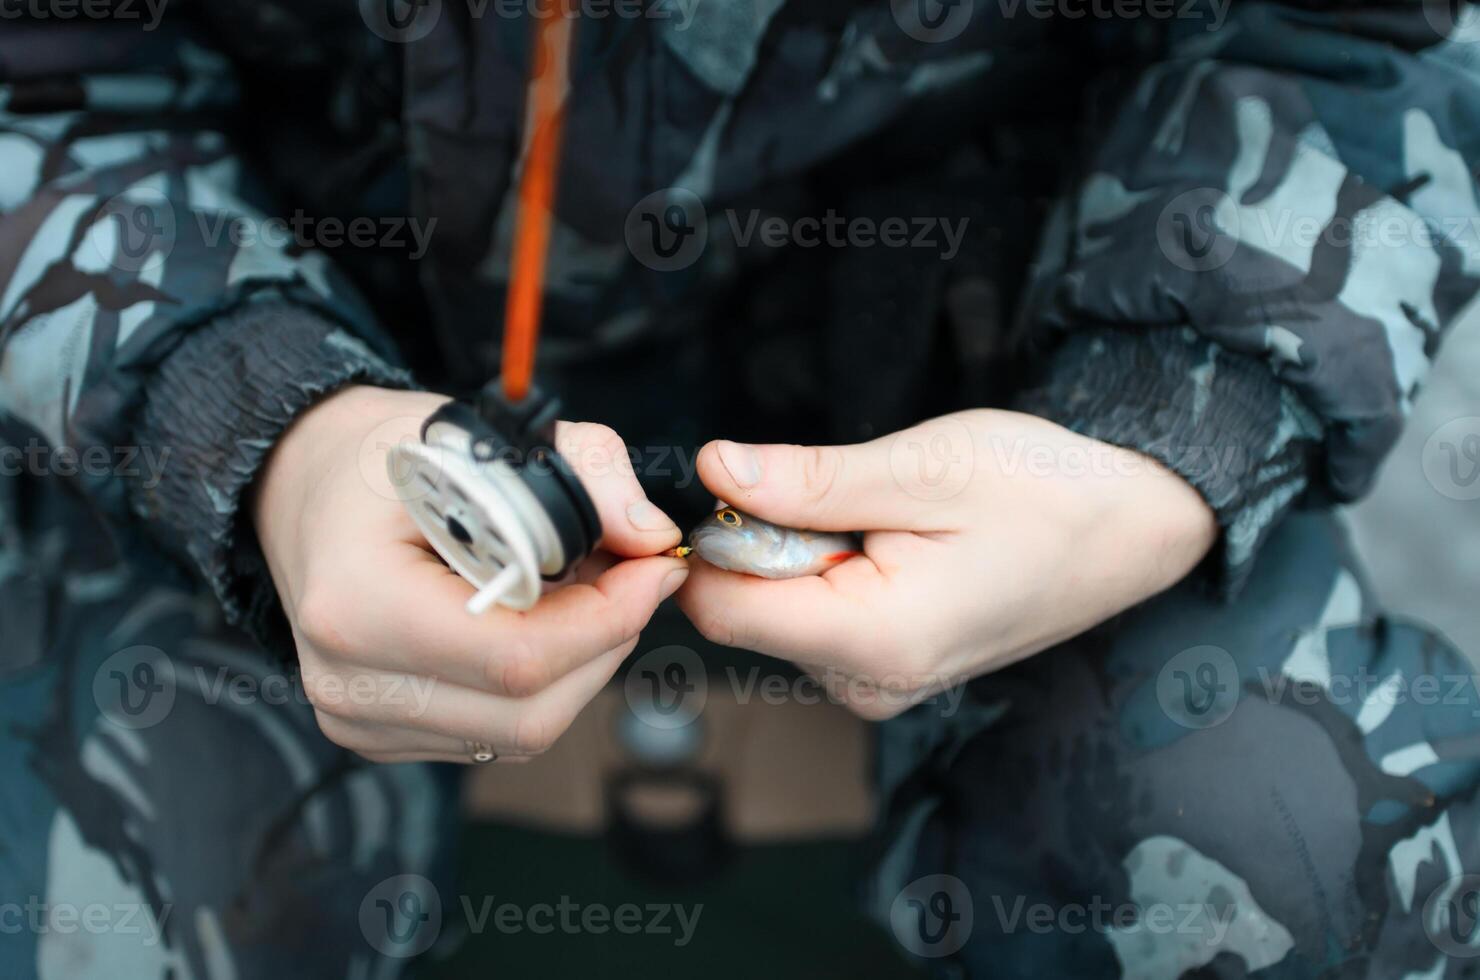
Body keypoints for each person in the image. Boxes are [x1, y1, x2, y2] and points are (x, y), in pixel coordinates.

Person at [2, 2, 1478, 976]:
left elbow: (1356, 34)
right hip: (284, 382)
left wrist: (1162, 441)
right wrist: (253, 430)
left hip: (1030, 382)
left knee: (1291, 852)